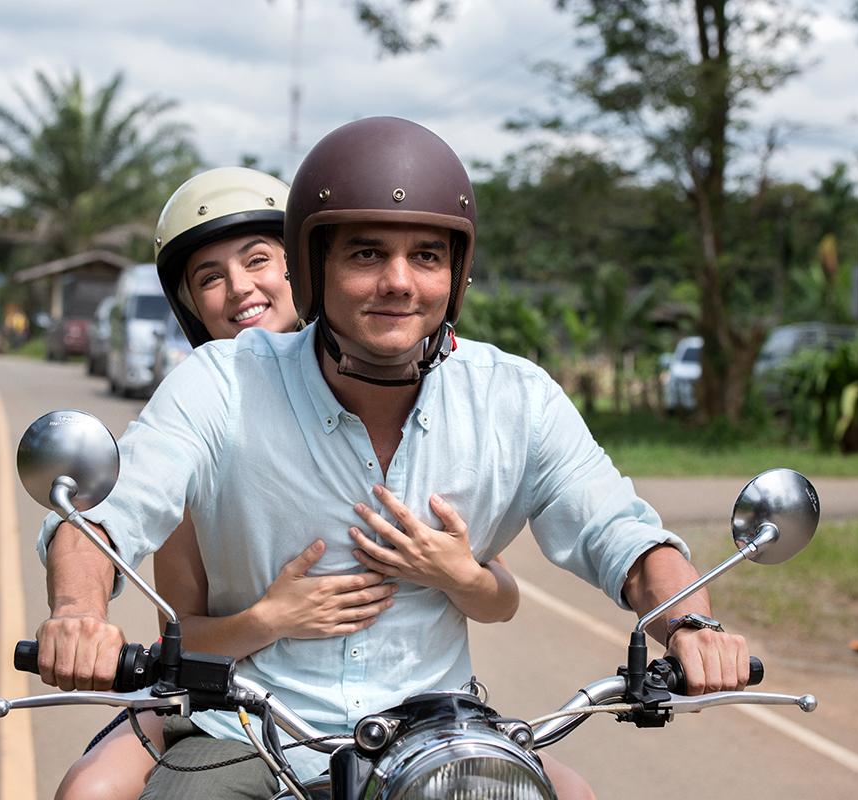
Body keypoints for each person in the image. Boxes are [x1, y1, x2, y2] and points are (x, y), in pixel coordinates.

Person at [37, 118, 750, 799]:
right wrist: (78, 613)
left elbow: (620, 532)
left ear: (456, 273)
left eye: (427, 255)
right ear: (314, 270)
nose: (400, 281)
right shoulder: (219, 383)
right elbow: (109, 512)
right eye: (367, 253)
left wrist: (692, 627)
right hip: (249, 730)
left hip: (439, 739)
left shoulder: (515, 398)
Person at [50, 166, 520, 800]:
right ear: (191, 305)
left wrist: (464, 577)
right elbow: (172, 623)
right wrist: (269, 618)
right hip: (236, 712)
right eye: (209, 277)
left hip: (418, 733)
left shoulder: (414, 378)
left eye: (257, 260)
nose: (240, 288)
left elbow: (499, 585)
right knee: (92, 791)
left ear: (305, 265)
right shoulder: (197, 412)